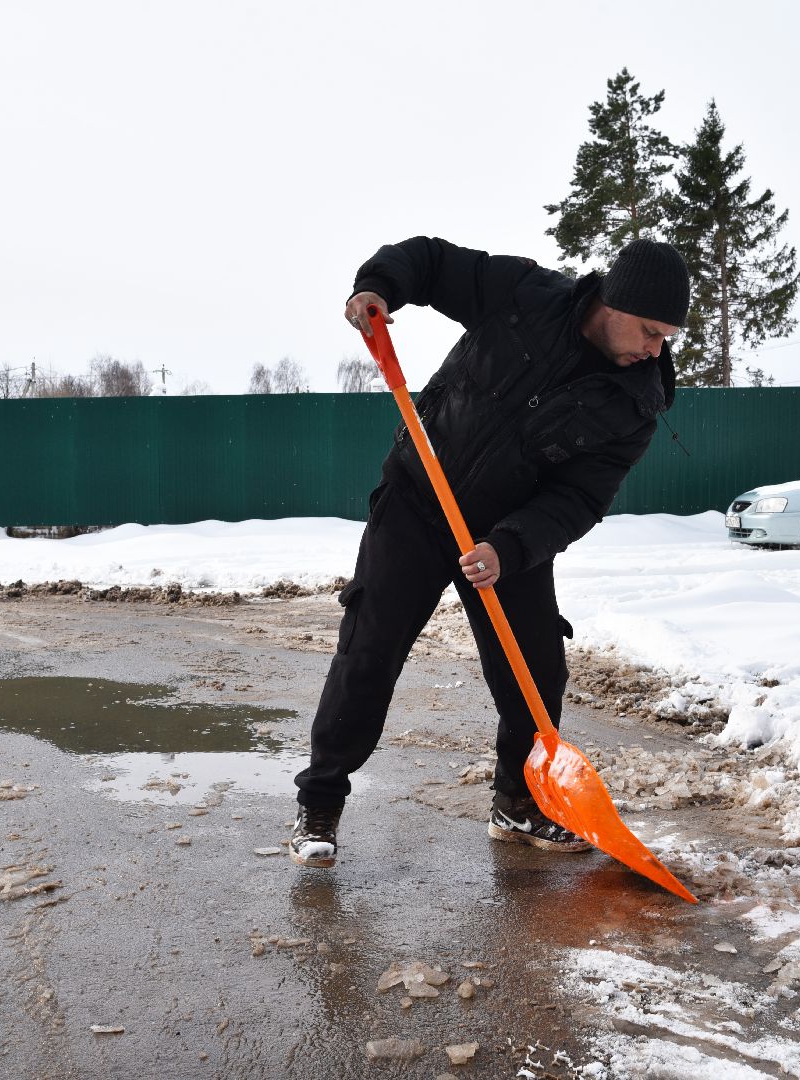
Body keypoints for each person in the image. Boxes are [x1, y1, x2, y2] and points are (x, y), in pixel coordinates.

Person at [290, 236, 690, 868]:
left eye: (666, 338)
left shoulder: (635, 405)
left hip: (504, 535)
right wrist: (378, 287)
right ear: (613, 303)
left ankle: (517, 804)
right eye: (649, 331)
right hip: (418, 500)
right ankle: (320, 804)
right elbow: (429, 262)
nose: (655, 349)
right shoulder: (525, 293)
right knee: (370, 649)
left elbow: (580, 498)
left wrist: (511, 545)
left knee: (536, 672)